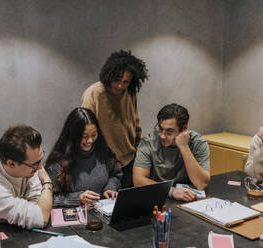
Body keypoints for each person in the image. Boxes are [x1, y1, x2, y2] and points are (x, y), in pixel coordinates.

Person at [81, 50, 148, 188]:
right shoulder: (93, 93)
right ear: (109, 75)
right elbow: (85, 130)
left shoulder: (130, 92)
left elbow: (136, 123)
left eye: (125, 82)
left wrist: (137, 149)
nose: (120, 86)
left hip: (129, 159)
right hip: (103, 163)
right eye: (117, 80)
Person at [45, 107, 122, 208]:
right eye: (84, 136)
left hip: (102, 214)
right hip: (74, 219)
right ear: (73, 135)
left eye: (94, 135)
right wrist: (78, 198)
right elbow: (49, 199)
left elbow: (115, 175)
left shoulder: (102, 151)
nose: (90, 140)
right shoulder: (58, 162)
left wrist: (111, 187)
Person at [133, 103, 210, 202]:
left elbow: (201, 183)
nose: (162, 136)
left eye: (169, 132)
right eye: (160, 129)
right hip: (158, 197)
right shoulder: (148, 142)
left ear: (184, 128)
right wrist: (170, 191)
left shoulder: (198, 143)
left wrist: (184, 147)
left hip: (188, 198)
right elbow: (138, 180)